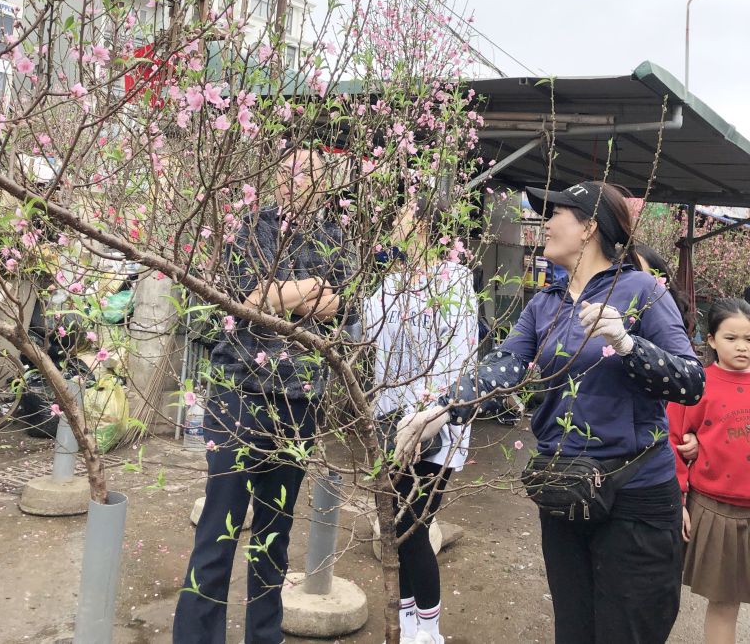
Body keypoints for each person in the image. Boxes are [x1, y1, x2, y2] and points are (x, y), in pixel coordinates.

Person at [395, 181, 706, 644]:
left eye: (556, 213)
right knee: (574, 631)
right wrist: (443, 409)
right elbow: (503, 365)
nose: (545, 223)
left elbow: (691, 381)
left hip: (635, 497)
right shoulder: (545, 303)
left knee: (627, 632)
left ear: (588, 228)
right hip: (564, 488)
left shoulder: (642, 290)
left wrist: (627, 343)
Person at [173, 146, 352, 644]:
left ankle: (263, 637)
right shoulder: (250, 230)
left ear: (324, 186)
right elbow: (241, 298)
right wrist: (311, 289)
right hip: (238, 397)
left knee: (274, 538)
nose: (299, 182)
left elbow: (345, 311)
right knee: (218, 530)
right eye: (291, 171)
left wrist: (281, 293)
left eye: (310, 175)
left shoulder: (337, 239)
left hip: (298, 403)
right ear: (277, 178)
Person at [363, 196, 478, 644]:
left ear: (429, 228)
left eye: (404, 218)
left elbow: (459, 355)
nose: (394, 226)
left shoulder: (455, 279)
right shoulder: (388, 283)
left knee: (414, 526)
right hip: (390, 422)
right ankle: (409, 623)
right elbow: (368, 336)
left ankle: (427, 631)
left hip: (435, 424)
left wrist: (430, 412)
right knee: (399, 525)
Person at [668, 297, 750, 644]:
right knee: (724, 602)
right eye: (731, 338)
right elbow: (672, 438)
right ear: (712, 340)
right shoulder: (697, 384)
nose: (742, 347)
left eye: (749, 338)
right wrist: (679, 496)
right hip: (717, 510)